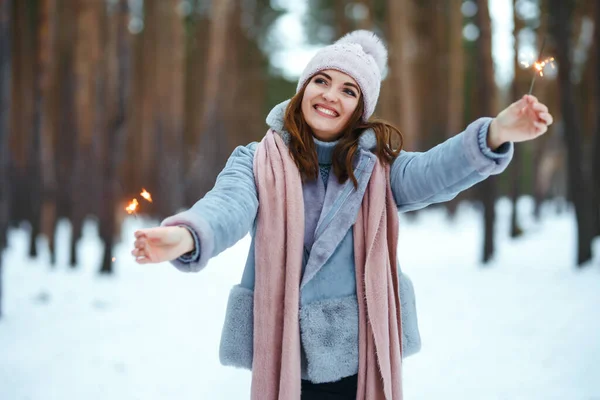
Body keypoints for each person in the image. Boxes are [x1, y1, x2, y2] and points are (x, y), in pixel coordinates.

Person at [131, 30, 553, 400]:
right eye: (322, 80)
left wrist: (495, 133)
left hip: (360, 350)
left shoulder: (380, 170)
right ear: (303, 90)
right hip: (285, 348)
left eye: (349, 90)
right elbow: (229, 205)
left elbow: (435, 171)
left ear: (360, 109)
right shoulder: (257, 160)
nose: (331, 95)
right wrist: (188, 234)